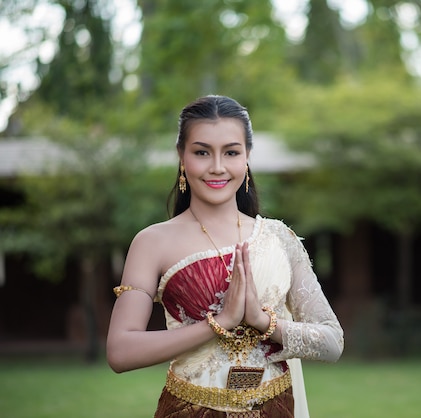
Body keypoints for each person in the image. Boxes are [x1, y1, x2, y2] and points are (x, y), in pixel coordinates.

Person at [106, 95, 344, 418]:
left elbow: (332, 342)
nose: (217, 167)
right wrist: (218, 324)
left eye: (231, 152)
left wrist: (263, 323)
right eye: (202, 152)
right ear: (181, 156)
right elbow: (120, 351)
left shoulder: (279, 240)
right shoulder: (152, 243)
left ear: (247, 157)